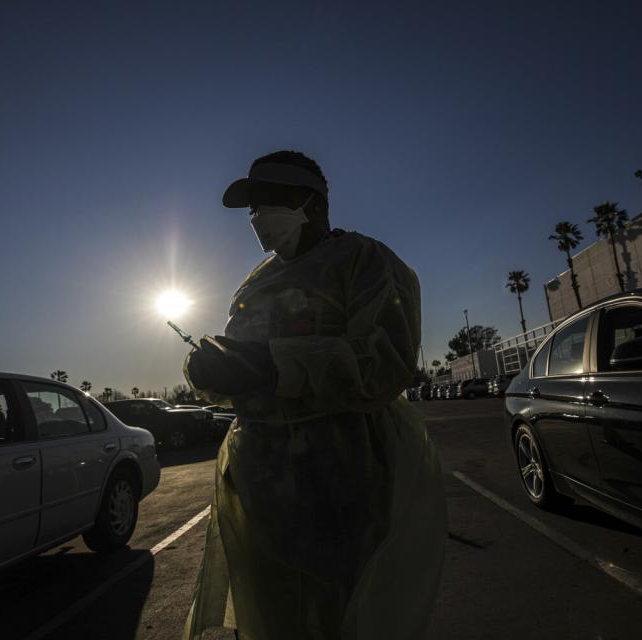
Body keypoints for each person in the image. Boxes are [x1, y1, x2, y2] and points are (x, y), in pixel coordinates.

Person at [182, 150, 446, 640]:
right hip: (263, 486)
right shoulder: (254, 285)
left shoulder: (364, 262)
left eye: (270, 202)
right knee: (275, 616)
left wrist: (272, 360)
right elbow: (239, 369)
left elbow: (384, 364)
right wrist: (209, 370)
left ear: (314, 204)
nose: (258, 218)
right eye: (252, 209)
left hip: (344, 479)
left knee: (344, 615)